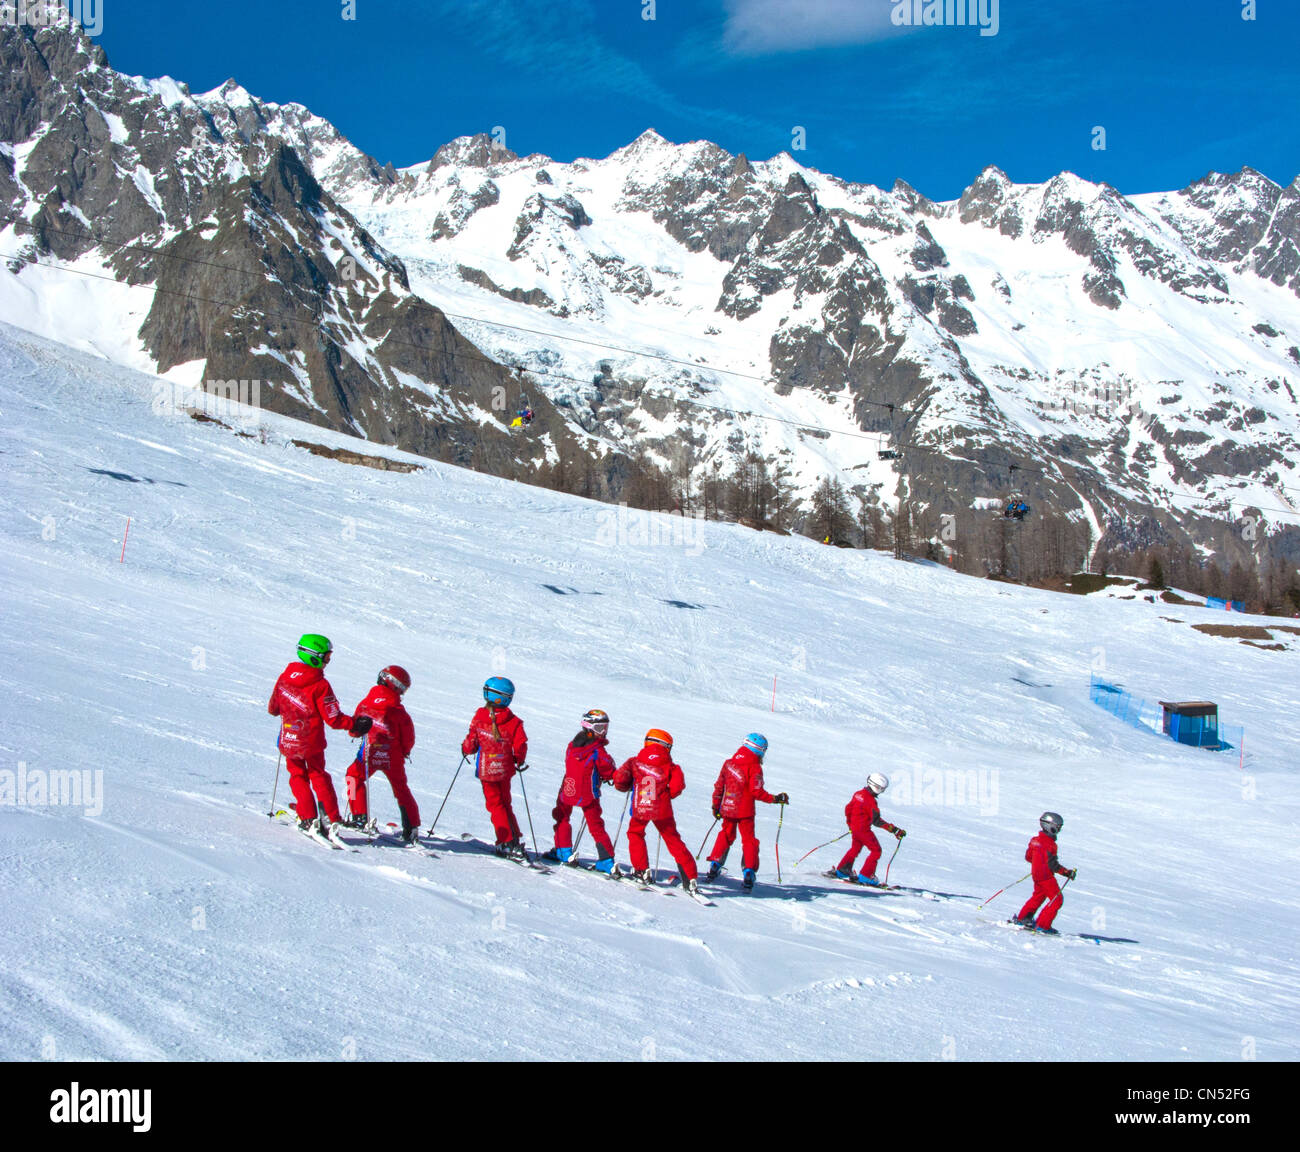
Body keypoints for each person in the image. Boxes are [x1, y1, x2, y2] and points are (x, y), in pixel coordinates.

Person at [268, 633, 369, 844]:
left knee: (297, 776)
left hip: (288, 738)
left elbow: (273, 708)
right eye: (326, 658)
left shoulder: (284, 677)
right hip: (311, 741)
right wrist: (356, 725)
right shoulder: (320, 685)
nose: (327, 662)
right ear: (314, 656)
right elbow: (333, 718)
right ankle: (330, 817)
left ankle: (307, 816)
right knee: (318, 775)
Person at [612, 730, 701, 896]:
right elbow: (677, 787)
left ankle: (641, 871)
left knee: (635, 833)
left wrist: (625, 786)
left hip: (641, 807)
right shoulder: (671, 766)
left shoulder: (634, 762)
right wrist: (667, 794)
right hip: (662, 809)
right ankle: (690, 878)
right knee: (673, 840)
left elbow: (619, 780)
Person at [704, 734, 788, 890]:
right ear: (760, 750)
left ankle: (715, 864)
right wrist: (775, 799)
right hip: (745, 811)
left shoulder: (729, 763)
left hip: (728, 807)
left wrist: (716, 806)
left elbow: (719, 787)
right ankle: (749, 872)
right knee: (749, 840)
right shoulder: (754, 767)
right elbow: (757, 792)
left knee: (726, 834)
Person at [346, 665, 419, 842]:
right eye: (402, 689)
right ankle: (411, 827)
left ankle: (359, 817)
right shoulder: (400, 712)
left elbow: (353, 730)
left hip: (368, 753)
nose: (402, 694)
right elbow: (408, 738)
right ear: (394, 685)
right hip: (393, 757)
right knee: (401, 789)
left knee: (353, 777)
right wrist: (404, 752)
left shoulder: (365, 703)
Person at [461, 676, 529, 860]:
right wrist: (518, 758)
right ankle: (514, 838)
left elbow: (472, 741)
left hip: (486, 770)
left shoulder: (480, 716)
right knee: (505, 803)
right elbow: (521, 743)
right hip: (505, 770)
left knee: (495, 805)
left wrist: (466, 749)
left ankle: (505, 841)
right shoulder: (514, 721)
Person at [544, 709, 619, 874]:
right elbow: (607, 768)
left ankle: (563, 850)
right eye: (600, 728)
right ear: (589, 727)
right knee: (595, 824)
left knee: (562, 816)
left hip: (568, 787)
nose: (604, 732)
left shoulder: (572, 746)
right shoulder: (598, 750)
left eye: (605, 728)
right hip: (588, 792)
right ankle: (606, 860)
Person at [833, 773, 905, 886]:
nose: (882, 791)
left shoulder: (858, 794)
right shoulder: (870, 800)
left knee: (855, 848)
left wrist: (850, 825)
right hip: (863, 830)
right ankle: (866, 876)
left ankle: (842, 870)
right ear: (877, 787)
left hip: (855, 829)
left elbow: (848, 809)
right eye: (882, 789)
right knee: (876, 850)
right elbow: (877, 821)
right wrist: (895, 830)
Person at [1012, 812, 1076, 934]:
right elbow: (1053, 865)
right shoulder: (1050, 844)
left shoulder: (1034, 840)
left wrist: (1038, 865)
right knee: (1057, 900)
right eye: (1058, 827)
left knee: (1038, 896)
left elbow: (1028, 857)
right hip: (1046, 877)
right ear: (1049, 826)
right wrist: (1067, 873)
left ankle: (1023, 918)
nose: (1058, 830)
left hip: (1037, 875)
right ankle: (1043, 925)